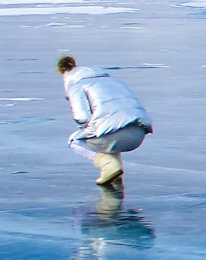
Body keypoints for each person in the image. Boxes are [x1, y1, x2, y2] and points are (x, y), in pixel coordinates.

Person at [57, 55, 153, 186]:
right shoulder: (114, 81)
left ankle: (108, 165)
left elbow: (82, 118)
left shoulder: (78, 86)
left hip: (116, 137)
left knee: (75, 141)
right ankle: (114, 173)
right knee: (108, 129)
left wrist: (86, 129)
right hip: (139, 134)